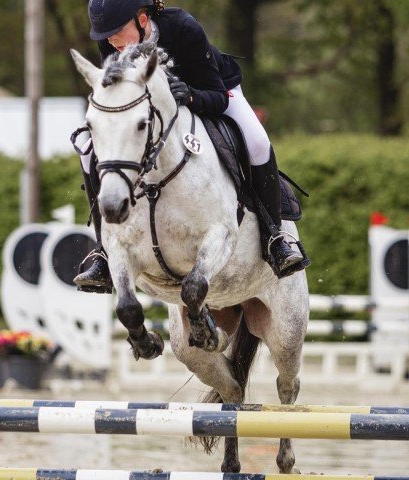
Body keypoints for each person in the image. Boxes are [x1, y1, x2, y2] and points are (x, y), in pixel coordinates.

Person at [74, 0, 307, 292]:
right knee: (86, 148)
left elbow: (218, 97)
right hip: (157, 104)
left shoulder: (183, 27)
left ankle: (275, 238)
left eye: (116, 31)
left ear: (143, 19)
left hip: (213, 89)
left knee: (258, 142)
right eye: (104, 35)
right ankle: (103, 250)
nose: (110, 40)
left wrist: (192, 96)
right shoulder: (114, 43)